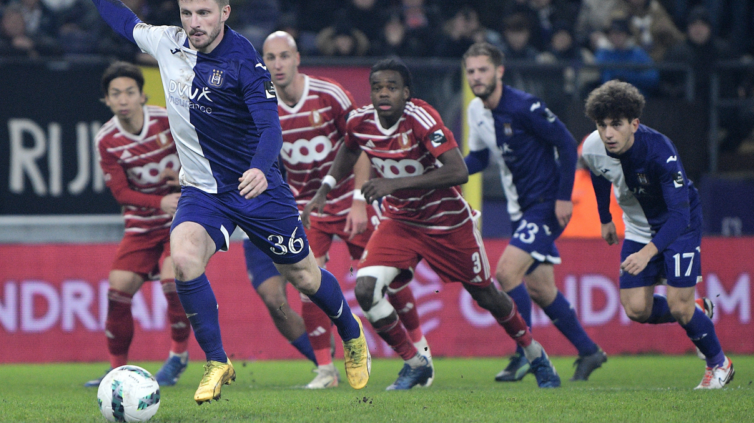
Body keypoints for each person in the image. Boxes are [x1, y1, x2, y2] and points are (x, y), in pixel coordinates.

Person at [60, 0, 370, 405]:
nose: (194, 23)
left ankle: (350, 329)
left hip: (255, 186)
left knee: (304, 276)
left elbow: (270, 125)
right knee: (183, 259)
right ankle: (217, 360)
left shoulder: (245, 60)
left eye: (204, 12)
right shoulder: (168, 42)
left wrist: (261, 170)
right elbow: (121, 19)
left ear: (224, 12)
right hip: (203, 191)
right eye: (187, 12)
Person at [304, 58, 562, 390]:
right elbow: (349, 151)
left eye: (392, 88)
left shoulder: (421, 117)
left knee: (486, 296)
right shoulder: (360, 120)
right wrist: (324, 189)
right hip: (401, 220)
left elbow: (458, 171)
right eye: (378, 87)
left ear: (406, 93)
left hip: (447, 223)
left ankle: (535, 354)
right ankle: (415, 363)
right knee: (366, 289)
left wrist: (393, 185)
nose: (384, 94)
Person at [249, 31, 427, 388]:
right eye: (270, 58)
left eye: (284, 56)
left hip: (348, 198)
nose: (278, 64)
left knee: (384, 279)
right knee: (306, 282)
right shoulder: (264, 106)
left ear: (298, 58)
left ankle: (420, 349)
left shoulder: (328, 93)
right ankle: (326, 370)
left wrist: (361, 199)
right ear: (263, 63)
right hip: (306, 207)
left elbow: (360, 145)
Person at [462, 42, 606, 383]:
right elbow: (479, 159)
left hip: (544, 204)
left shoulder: (524, 106)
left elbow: (567, 143)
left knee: (507, 274)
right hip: (520, 209)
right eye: (471, 71)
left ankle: (524, 354)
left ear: (499, 71)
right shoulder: (475, 112)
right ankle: (589, 352)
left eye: (483, 70)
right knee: (541, 289)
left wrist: (563, 197)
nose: (476, 77)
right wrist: (444, 170)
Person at [581, 79, 734, 389]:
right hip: (637, 225)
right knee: (637, 309)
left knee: (678, 305)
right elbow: (598, 174)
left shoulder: (660, 152)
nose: (608, 133)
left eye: (616, 124)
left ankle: (719, 363)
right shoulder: (593, 147)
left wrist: (647, 252)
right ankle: (699, 310)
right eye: (602, 124)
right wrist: (605, 218)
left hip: (679, 225)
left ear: (634, 123)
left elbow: (678, 215)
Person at [85, 61, 190, 388]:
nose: (124, 99)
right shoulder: (106, 139)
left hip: (180, 220)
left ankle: (178, 357)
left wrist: (183, 179)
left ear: (143, 95)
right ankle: (117, 370)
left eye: (130, 92)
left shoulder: (167, 119)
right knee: (117, 291)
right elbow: (120, 191)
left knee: (174, 282)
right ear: (107, 100)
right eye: (116, 94)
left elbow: (199, 154)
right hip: (141, 226)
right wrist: (158, 201)